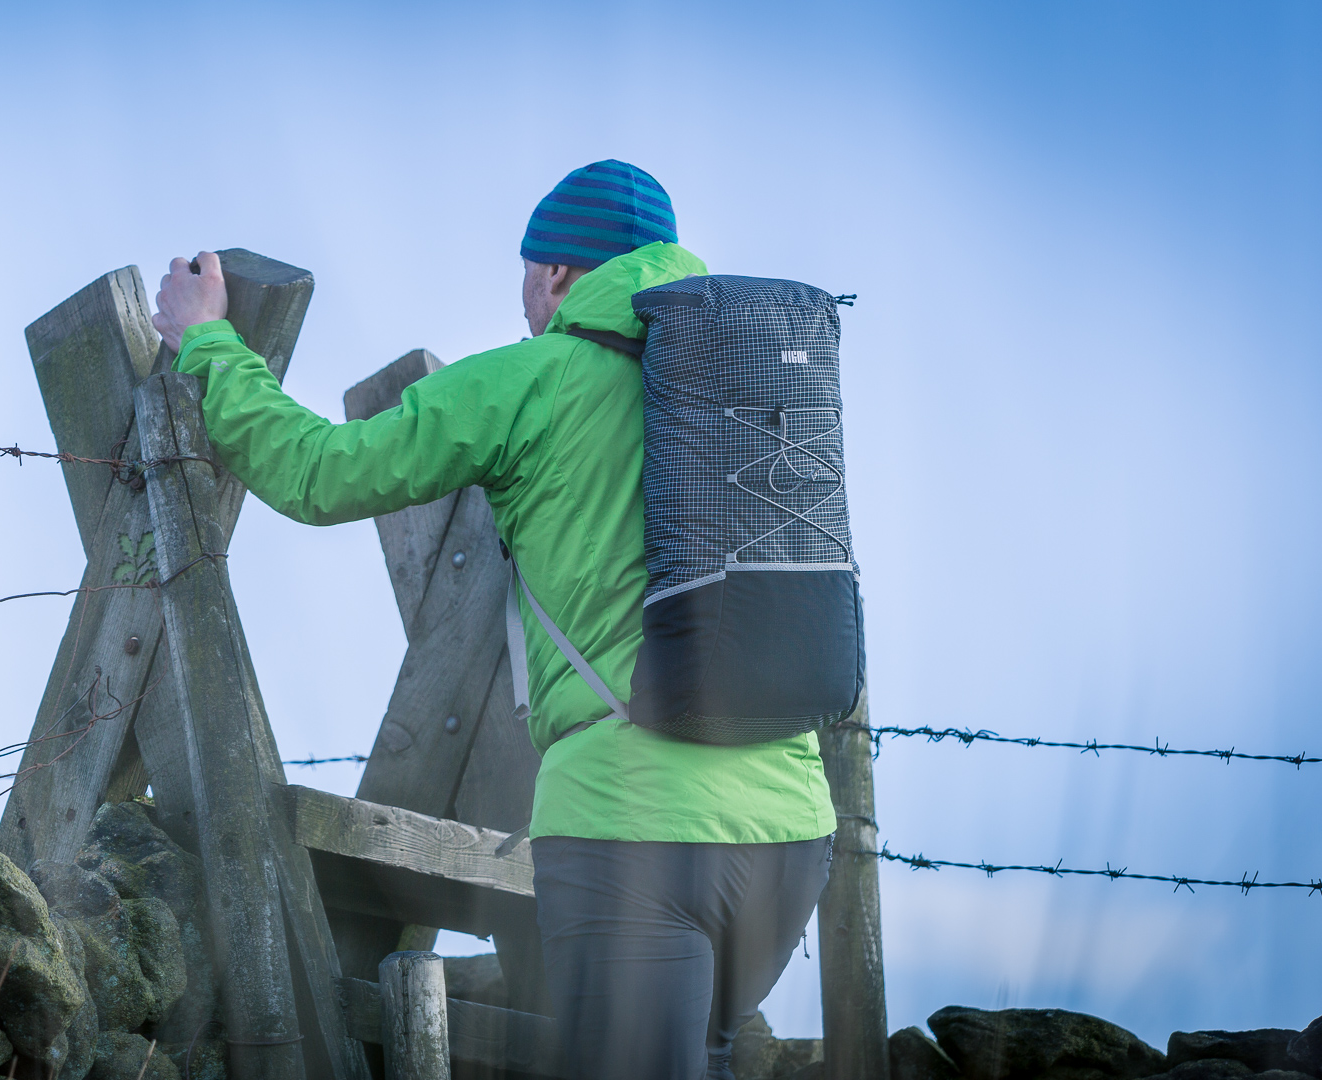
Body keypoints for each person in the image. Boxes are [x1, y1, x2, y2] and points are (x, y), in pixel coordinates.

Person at [150, 160, 836, 1080]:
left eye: (528, 273)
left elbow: (319, 470)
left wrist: (208, 345)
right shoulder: (751, 391)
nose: (523, 298)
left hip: (636, 832)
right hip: (792, 836)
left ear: (559, 271)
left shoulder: (532, 380)